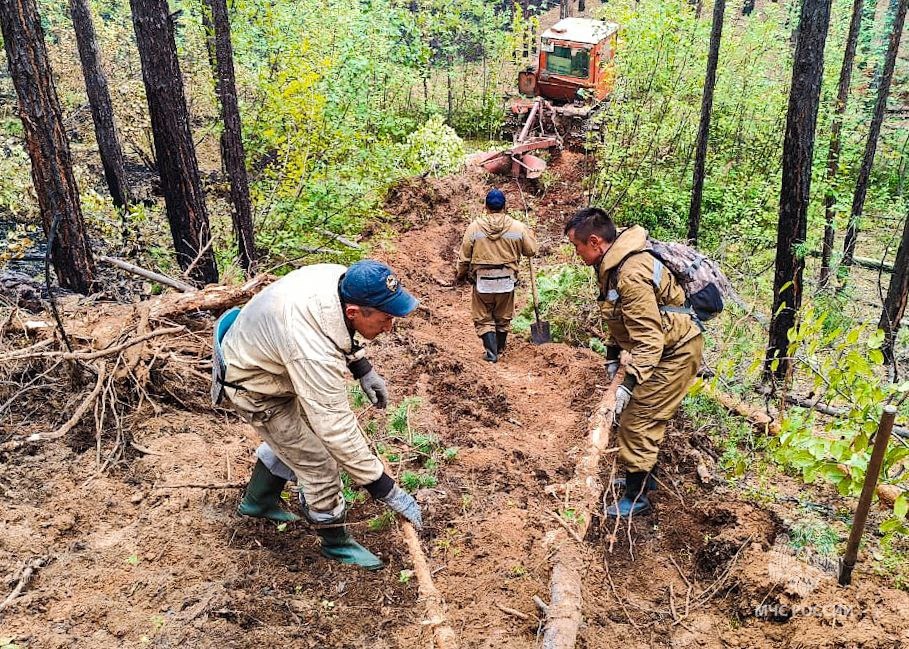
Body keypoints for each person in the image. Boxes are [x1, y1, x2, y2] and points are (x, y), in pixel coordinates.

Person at [211, 260, 423, 570]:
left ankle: (258, 502)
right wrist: (385, 488)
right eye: (386, 318)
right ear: (355, 312)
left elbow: (337, 330)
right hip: (254, 387)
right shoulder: (309, 349)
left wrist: (361, 367)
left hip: (268, 357)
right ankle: (335, 543)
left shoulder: (341, 280)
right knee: (319, 462)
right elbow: (335, 428)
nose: (389, 327)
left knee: (296, 439)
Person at [564, 208, 703, 518]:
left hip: (676, 352)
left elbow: (650, 339)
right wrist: (613, 356)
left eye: (577, 246)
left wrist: (627, 384)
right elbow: (621, 318)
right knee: (638, 416)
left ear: (596, 242)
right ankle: (641, 480)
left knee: (638, 419)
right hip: (664, 347)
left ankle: (637, 497)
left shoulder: (630, 273)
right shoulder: (613, 265)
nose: (576, 253)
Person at [455, 188, 538, 362]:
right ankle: (499, 348)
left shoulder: (475, 227)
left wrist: (460, 275)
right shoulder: (517, 227)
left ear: (485, 206)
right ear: (505, 206)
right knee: (503, 316)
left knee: (483, 316)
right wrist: (529, 233)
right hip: (507, 280)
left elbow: (464, 257)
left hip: (482, 281)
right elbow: (531, 250)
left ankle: (491, 353)